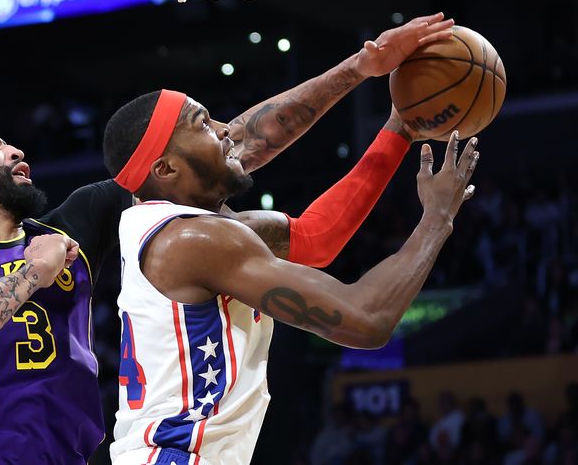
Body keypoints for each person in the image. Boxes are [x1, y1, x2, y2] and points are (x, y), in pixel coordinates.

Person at [0, 14, 455, 464]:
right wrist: (30, 272)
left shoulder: (79, 224)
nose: (15, 150)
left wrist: (362, 69)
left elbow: (224, 152)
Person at [102, 89, 479, 464]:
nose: (224, 130)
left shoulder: (184, 231)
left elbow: (316, 238)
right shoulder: (195, 240)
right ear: (165, 169)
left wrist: (400, 128)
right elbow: (367, 319)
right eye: (202, 124)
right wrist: (437, 219)